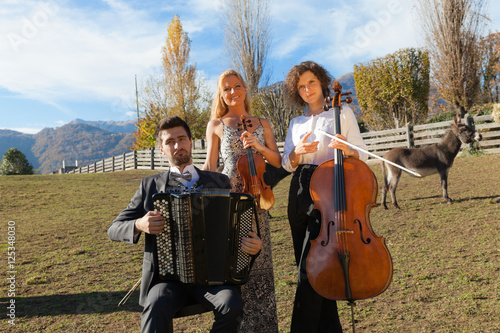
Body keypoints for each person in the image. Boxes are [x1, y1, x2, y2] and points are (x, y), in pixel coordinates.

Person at [108, 116, 262, 333]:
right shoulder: (149, 186)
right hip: (167, 281)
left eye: (182, 139)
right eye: (170, 142)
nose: (177, 145)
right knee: (155, 305)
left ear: (191, 141)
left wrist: (253, 246)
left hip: (214, 280)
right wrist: (139, 224)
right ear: (162, 149)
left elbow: (237, 231)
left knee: (231, 305)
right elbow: (114, 229)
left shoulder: (218, 181)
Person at [282, 61, 368, 332]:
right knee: (310, 271)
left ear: (321, 82)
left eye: (311, 82)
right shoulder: (296, 122)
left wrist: (348, 149)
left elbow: (362, 154)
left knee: (311, 272)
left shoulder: (342, 114)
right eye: (301, 86)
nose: (307, 89)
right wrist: (297, 152)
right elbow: (287, 162)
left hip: (328, 193)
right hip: (299, 193)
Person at [203, 69, 281, 332]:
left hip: (258, 200)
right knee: (234, 269)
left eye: (237, 86)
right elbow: (211, 166)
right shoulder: (215, 125)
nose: (233, 92)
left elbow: (277, 161)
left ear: (245, 89)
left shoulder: (263, 123)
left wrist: (257, 147)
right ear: (221, 94)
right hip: (229, 205)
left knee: (260, 269)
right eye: (226, 88)